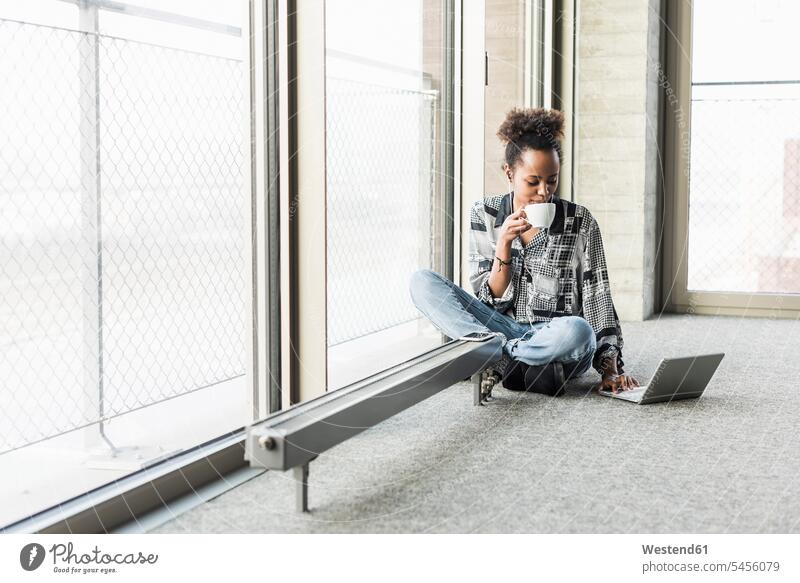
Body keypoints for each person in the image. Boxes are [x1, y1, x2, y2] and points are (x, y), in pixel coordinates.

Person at [409, 107, 639, 396]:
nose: (544, 192)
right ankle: (524, 365)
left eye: (552, 180)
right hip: (500, 326)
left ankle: (498, 357)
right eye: (533, 182)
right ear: (509, 172)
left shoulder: (580, 222)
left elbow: (599, 299)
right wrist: (503, 242)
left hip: (558, 337)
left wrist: (611, 369)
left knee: (579, 331)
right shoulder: (484, 213)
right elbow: (488, 299)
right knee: (422, 282)